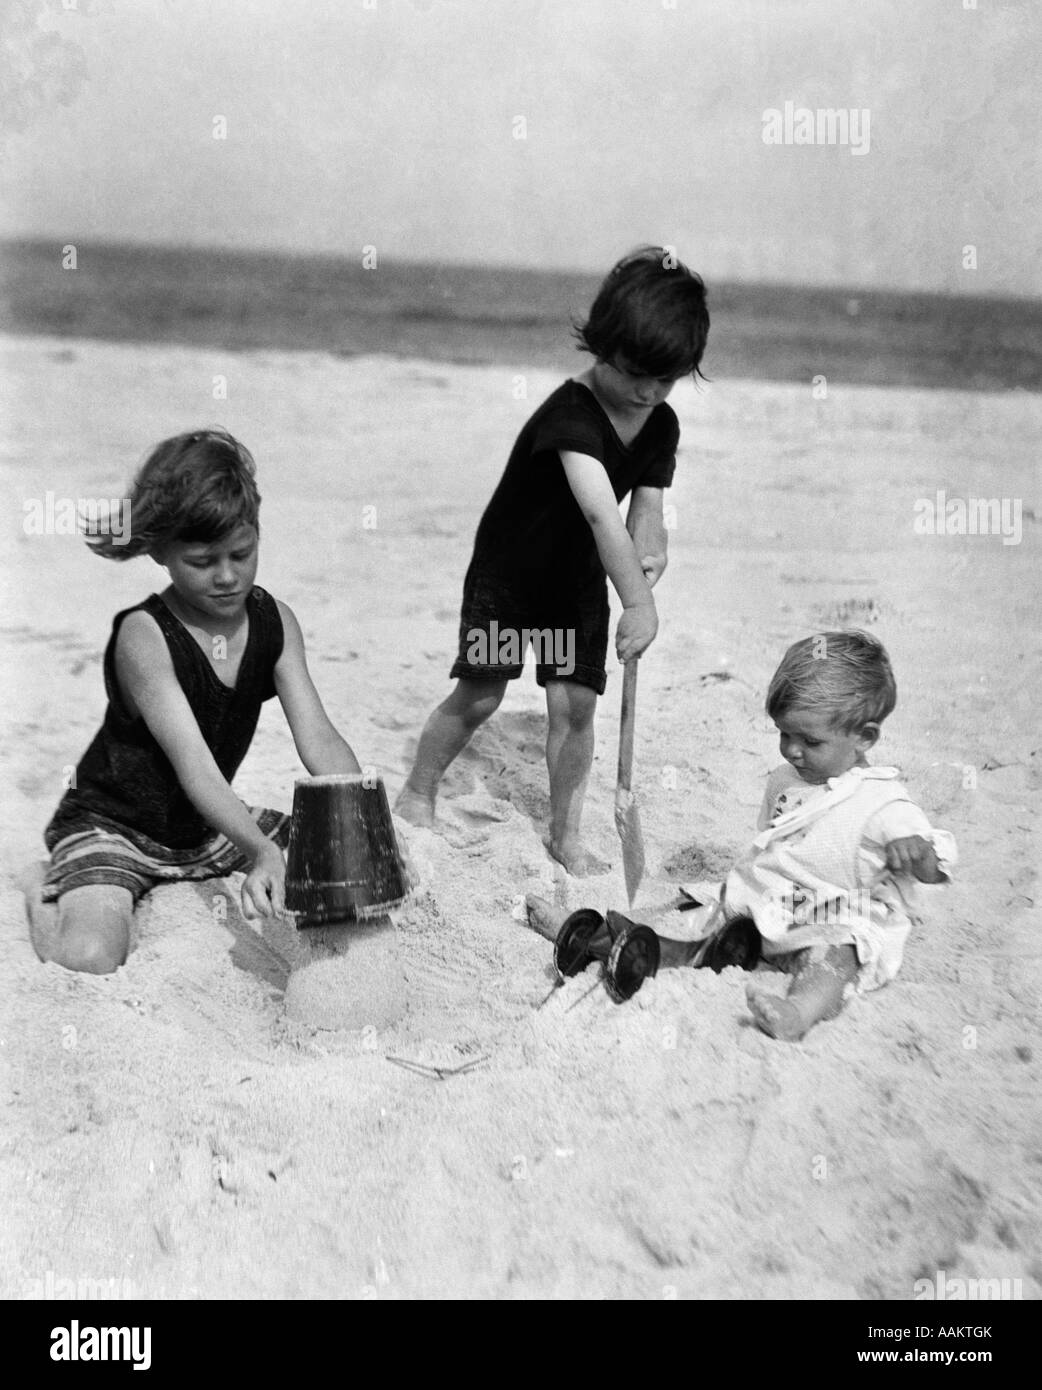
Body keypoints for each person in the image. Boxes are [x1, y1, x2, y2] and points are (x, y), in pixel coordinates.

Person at [396, 247, 710, 875]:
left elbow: (645, 503)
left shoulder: (659, 421)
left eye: (667, 379)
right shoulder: (571, 415)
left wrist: (652, 547)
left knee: (574, 706)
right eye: (633, 373)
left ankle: (565, 834)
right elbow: (599, 512)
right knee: (482, 694)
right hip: (510, 575)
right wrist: (639, 604)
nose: (648, 391)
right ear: (600, 348)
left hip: (575, 577)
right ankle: (419, 789)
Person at [22, 428, 362, 975]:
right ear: (159, 550)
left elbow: (319, 738)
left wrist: (358, 820)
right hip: (117, 826)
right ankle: (45, 890)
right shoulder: (146, 635)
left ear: (258, 534)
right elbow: (198, 770)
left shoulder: (276, 624)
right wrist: (260, 850)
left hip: (205, 829)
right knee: (90, 958)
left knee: (343, 854)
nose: (227, 576)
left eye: (242, 553)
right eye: (203, 561)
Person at [527, 630, 956, 1041]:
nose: (792, 750)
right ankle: (601, 940)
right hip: (772, 905)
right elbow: (771, 846)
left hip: (835, 912)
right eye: (784, 734)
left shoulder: (882, 799)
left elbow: (938, 860)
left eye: (809, 740)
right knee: (695, 917)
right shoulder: (785, 780)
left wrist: (919, 854)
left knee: (838, 953)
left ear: (864, 737)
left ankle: (797, 1013)